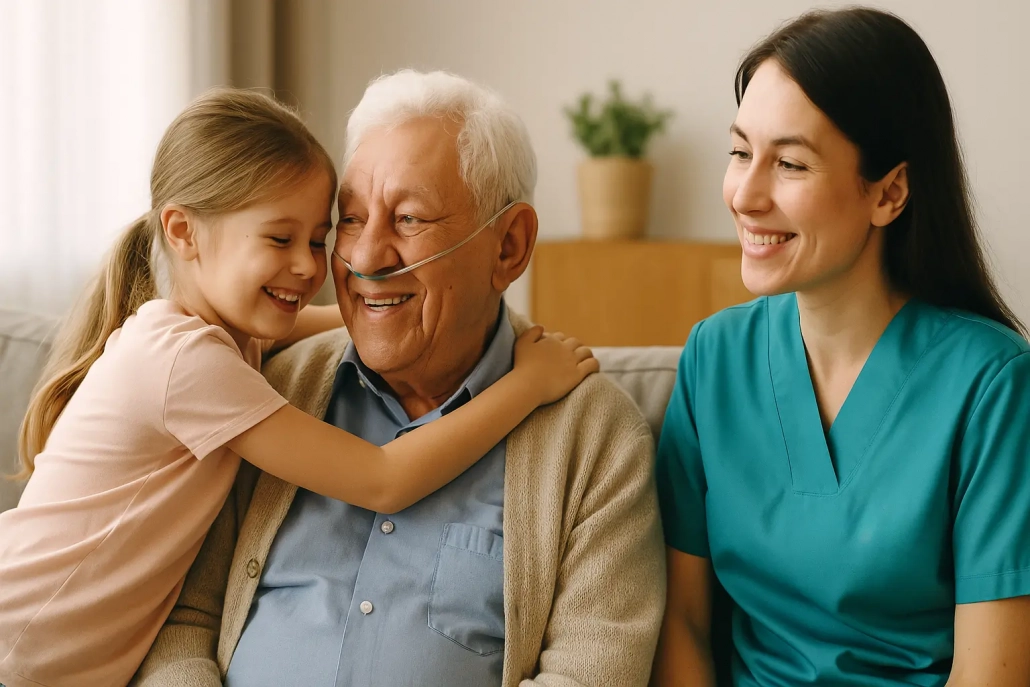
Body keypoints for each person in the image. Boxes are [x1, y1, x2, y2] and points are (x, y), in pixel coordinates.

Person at [0, 88, 598, 687]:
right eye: (280, 240)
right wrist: (526, 385)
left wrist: (395, 296)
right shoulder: (186, 364)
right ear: (183, 232)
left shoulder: (228, 338)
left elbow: (356, 315)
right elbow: (382, 480)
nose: (312, 269)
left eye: (319, 239)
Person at [135, 70, 666, 687]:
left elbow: (591, 671)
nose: (364, 259)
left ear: (509, 247)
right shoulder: (264, 388)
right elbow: (182, 618)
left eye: (409, 219)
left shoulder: (596, 439)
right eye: (351, 221)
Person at [652, 7, 1030, 686]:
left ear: (890, 192)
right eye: (740, 151)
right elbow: (681, 620)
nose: (744, 194)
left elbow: (991, 674)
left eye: (790, 163)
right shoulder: (714, 359)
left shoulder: (993, 384)